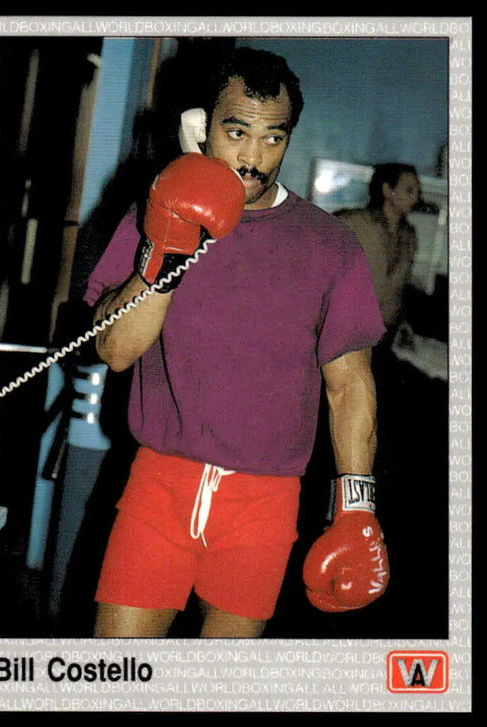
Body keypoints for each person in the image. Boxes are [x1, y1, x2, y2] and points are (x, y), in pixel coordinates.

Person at [83, 47, 388, 639]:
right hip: (158, 490)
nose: (252, 157)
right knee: (114, 680)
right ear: (202, 126)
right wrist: (167, 245)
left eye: (273, 138)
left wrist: (357, 505)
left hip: (264, 504)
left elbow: (349, 386)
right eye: (236, 131)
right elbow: (115, 351)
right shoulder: (156, 214)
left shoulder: (331, 247)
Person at [335, 163, 420, 340]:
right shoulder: (354, 223)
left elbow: (398, 287)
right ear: (388, 190)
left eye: (417, 192)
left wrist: (402, 323)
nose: (416, 198)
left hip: (384, 332)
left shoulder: (409, 236)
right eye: (409, 190)